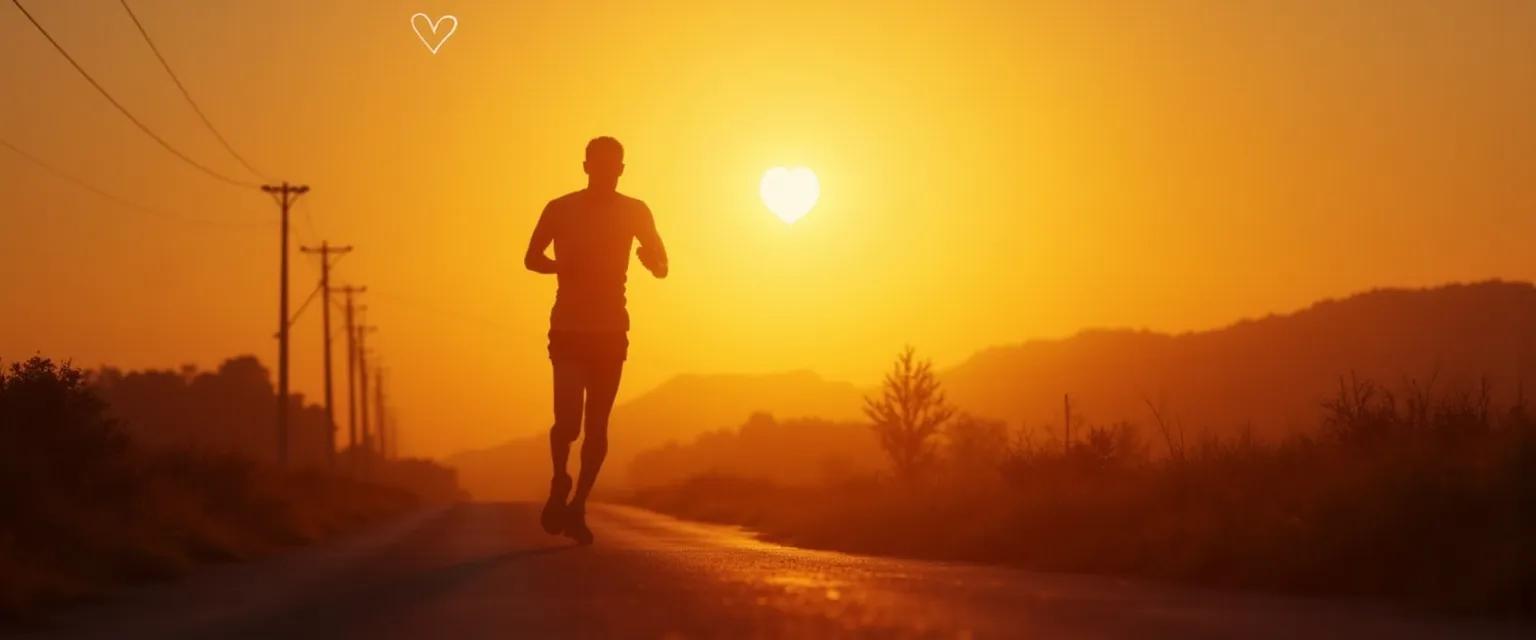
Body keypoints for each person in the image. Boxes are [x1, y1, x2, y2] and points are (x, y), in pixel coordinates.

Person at [524, 136, 668, 545]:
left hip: (611, 330)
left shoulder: (635, 211)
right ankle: (559, 480)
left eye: (614, 165)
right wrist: (560, 267)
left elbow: (662, 265)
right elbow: (531, 257)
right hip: (568, 328)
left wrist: (652, 262)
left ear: (622, 169)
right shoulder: (560, 208)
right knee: (568, 421)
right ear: (585, 166)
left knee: (597, 425)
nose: (606, 172)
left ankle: (578, 505)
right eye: (598, 165)